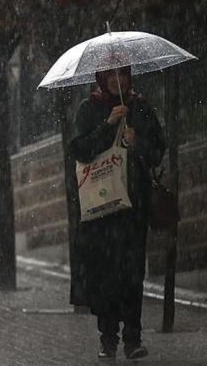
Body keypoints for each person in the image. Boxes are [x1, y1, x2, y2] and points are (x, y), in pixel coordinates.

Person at [70, 65, 166, 361]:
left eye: (122, 74)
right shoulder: (90, 108)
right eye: (110, 75)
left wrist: (138, 143)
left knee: (133, 272)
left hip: (133, 206)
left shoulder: (139, 107)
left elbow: (158, 150)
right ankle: (108, 337)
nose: (117, 80)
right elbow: (79, 149)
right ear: (102, 78)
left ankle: (133, 338)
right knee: (106, 274)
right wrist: (108, 126)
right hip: (102, 209)